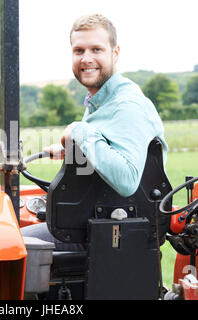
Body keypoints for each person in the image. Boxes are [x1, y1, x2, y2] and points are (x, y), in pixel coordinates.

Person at [21, 13, 168, 250]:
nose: (86, 58)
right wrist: (69, 149)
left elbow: (128, 179)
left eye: (96, 49)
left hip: (115, 234)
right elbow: (108, 145)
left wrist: (79, 131)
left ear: (115, 53)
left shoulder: (127, 105)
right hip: (94, 222)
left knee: (9, 246)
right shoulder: (100, 102)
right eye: (79, 51)